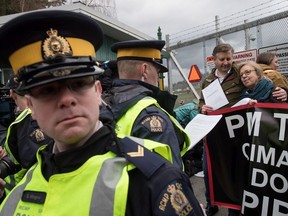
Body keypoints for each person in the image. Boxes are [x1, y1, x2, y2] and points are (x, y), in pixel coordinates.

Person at [0, 10, 205, 216]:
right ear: (30, 106)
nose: (66, 99)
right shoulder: (17, 194)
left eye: (79, 83)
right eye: (47, 90)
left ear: (98, 91)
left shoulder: (152, 181)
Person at [101, 40, 191, 170]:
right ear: (144, 70)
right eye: (158, 71)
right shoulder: (151, 115)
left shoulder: (104, 101)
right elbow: (167, 176)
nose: (158, 77)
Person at [1, 75, 53, 201]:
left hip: (25, 195)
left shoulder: (26, 122)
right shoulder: (43, 115)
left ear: (12, 94)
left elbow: (32, 164)